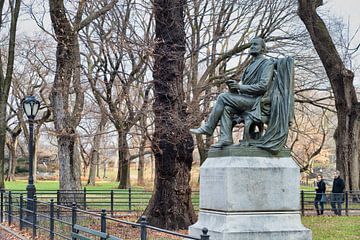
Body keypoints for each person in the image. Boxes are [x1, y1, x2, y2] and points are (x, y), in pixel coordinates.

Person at [190, 37, 274, 148]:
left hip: (258, 102)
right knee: (226, 108)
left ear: (263, 48)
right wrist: (234, 88)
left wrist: (241, 87)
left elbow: (263, 86)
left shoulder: (267, 63)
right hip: (247, 99)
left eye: (255, 44)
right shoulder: (249, 66)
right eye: (251, 44)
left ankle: (209, 127)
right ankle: (225, 138)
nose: (252, 46)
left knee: (223, 97)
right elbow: (245, 87)